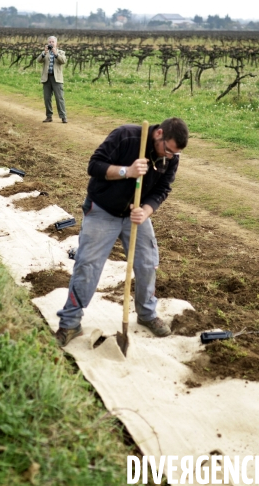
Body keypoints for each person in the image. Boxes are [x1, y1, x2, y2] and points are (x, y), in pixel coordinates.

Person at [56, 117, 189, 346]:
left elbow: (163, 189)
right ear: (159, 134)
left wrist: (146, 210)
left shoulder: (171, 157)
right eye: (167, 150)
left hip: (133, 216)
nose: (169, 156)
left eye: (173, 154)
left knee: (148, 262)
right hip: (102, 211)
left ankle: (147, 315)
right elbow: (94, 166)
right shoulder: (126, 136)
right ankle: (70, 324)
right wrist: (126, 171)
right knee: (87, 265)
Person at [38, 35, 67, 123]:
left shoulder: (61, 52)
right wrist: (44, 53)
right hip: (47, 78)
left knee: (59, 98)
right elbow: (38, 60)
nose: (51, 43)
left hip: (57, 79)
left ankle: (63, 117)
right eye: (49, 42)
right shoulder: (45, 52)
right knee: (47, 98)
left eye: (52, 42)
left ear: (56, 43)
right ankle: (49, 116)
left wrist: (56, 54)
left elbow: (63, 61)